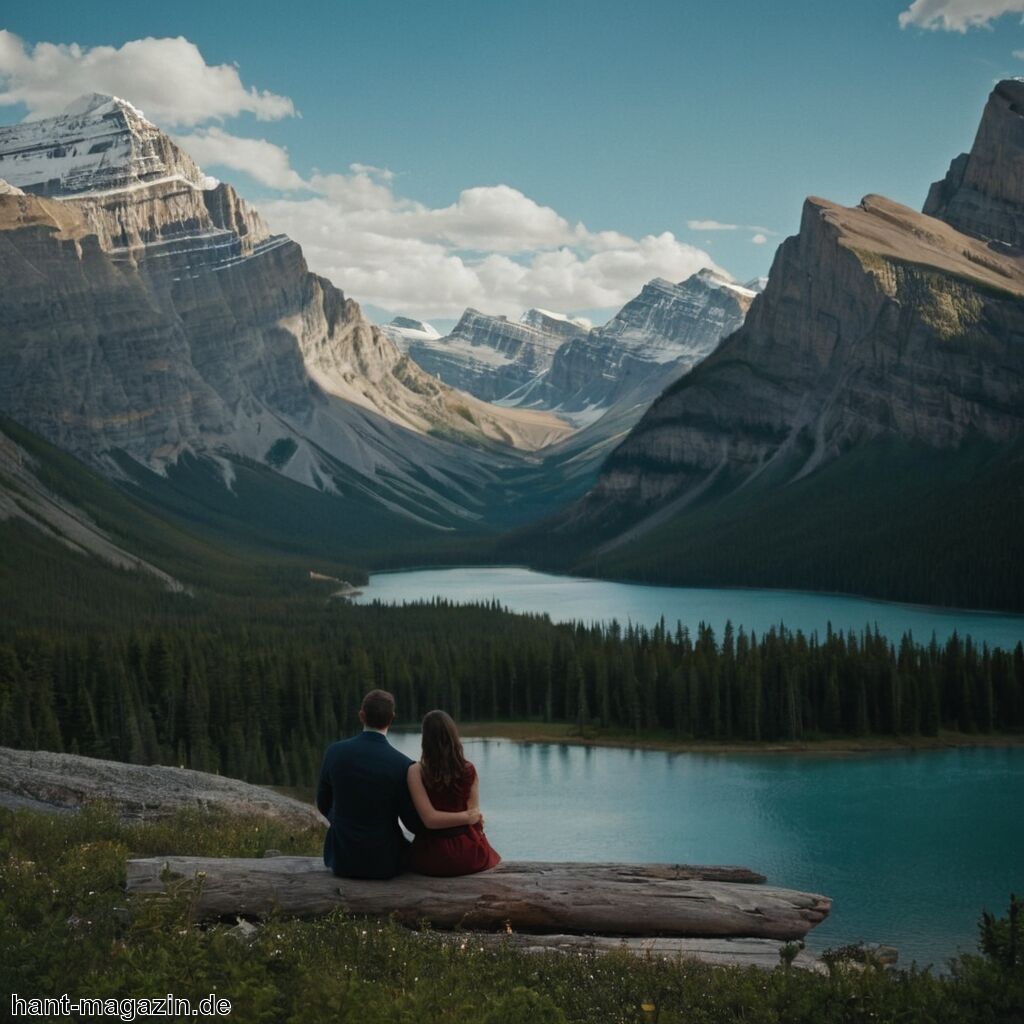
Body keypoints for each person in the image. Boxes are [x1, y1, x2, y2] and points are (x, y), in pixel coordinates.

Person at [316, 689, 481, 879]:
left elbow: (323, 802)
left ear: (361, 716)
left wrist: (344, 825)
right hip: (384, 862)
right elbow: (412, 823)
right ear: (391, 718)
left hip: (341, 859)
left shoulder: (334, 752)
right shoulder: (402, 765)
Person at [406, 709, 501, 876]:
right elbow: (473, 816)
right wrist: (467, 818)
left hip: (431, 855)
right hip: (468, 853)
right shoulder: (468, 769)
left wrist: (471, 817)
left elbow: (430, 820)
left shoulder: (416, 771)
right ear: (452, 735)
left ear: (425, 739)